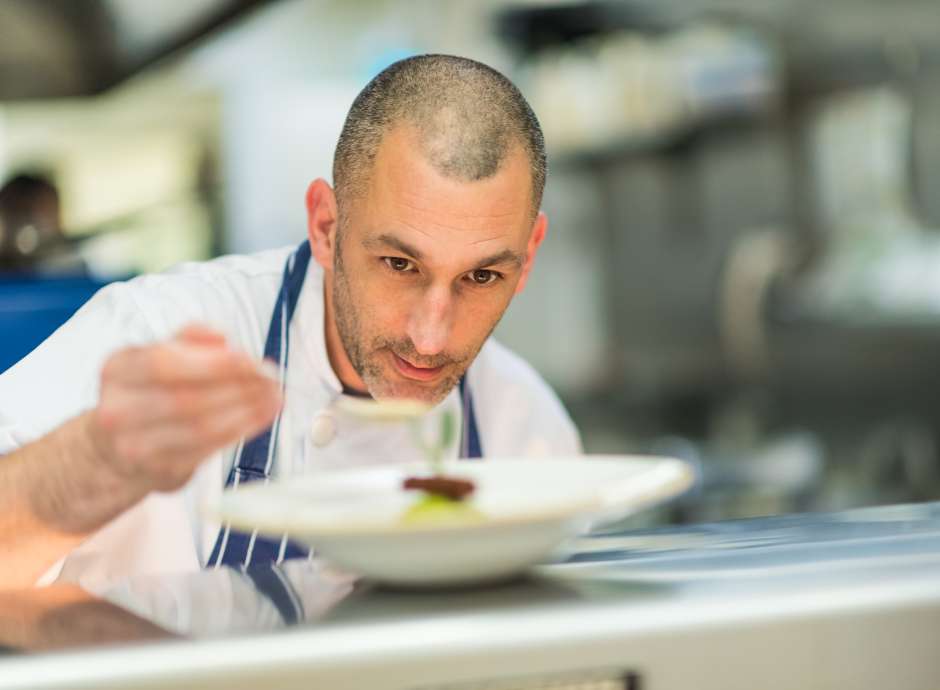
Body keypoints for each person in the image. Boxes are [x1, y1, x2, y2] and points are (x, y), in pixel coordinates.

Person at [0, 55, 581, 591]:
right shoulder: (154, 333)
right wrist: (96, 458)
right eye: (399, 264)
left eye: (481, 278)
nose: (431, 336)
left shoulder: (525, 429)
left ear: (527, 257)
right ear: (325, 226)